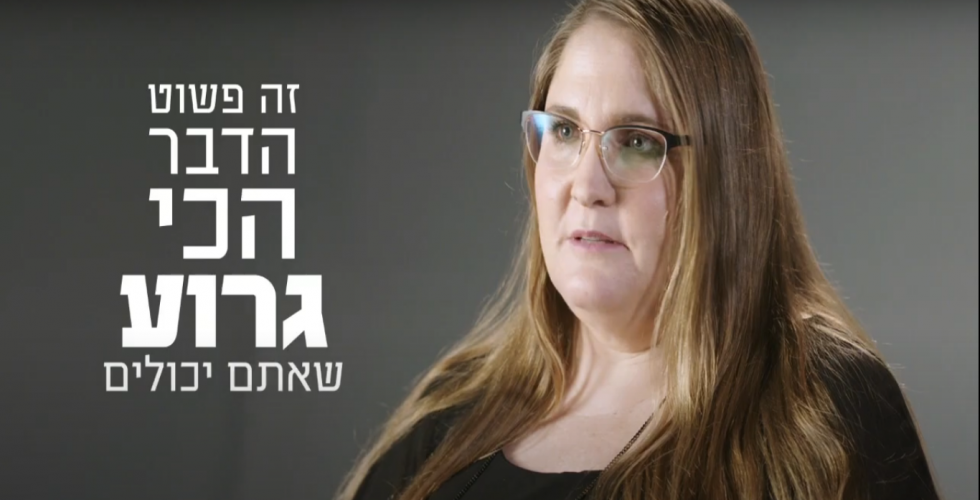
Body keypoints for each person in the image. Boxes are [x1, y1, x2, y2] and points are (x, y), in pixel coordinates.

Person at [336, 0, 942, 499]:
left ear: (726, 179)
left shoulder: (820, 414)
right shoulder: (448, 419)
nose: (587, 186)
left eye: (636, 142)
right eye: (565, 131)